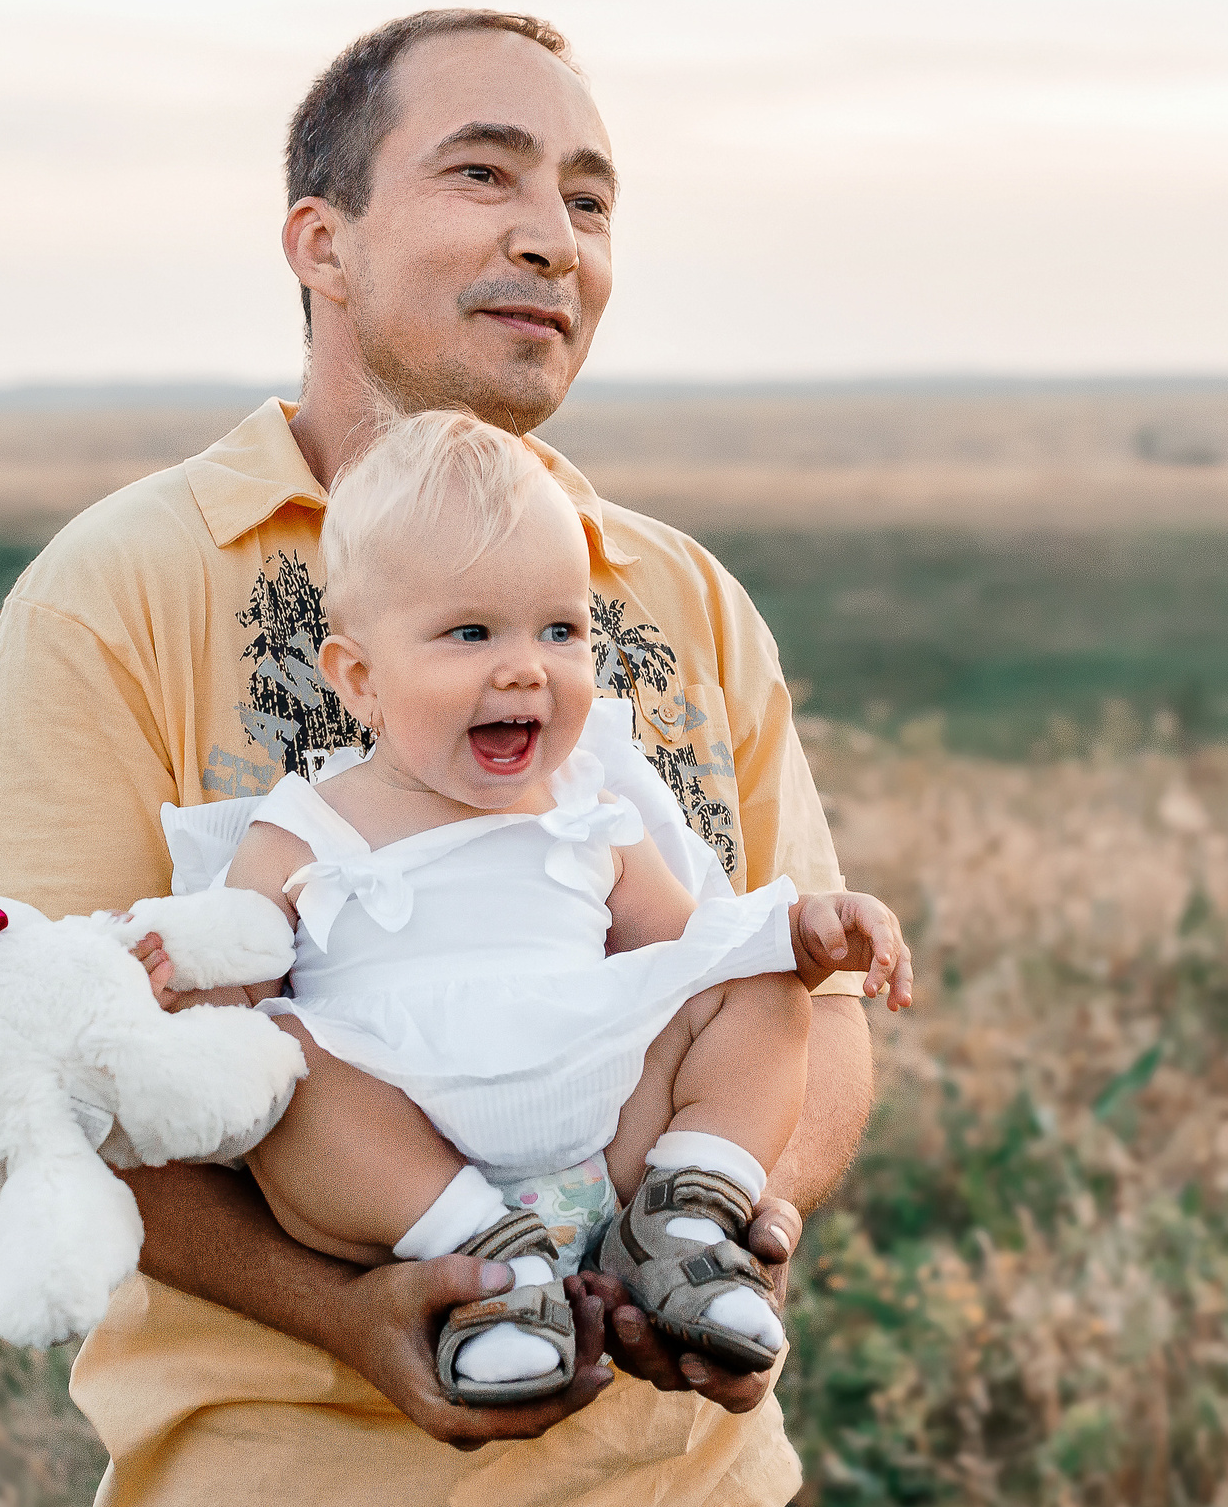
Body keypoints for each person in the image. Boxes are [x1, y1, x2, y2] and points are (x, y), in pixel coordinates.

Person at [0, 6, 881, 1507]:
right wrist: (360, 1317)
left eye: (591, 198)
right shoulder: (123, 586)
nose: (550, 234)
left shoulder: (666, 589)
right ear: (324, 242)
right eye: (484, 172)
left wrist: (729, 1219)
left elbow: (801, 996)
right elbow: (34, 1053)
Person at [169, 409, 911, 1407]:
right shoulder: (305, 830)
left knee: (756, 979)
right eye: (469, 631)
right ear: (360, 679)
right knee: (279, 1060)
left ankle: (687, 1211)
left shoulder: (589, 811)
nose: (524, 665)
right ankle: (494, 1274)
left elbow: (687, 956)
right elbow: (232, 990)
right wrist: (179, 986)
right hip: (407, 1142)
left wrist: (800, 935)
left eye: (559, 629)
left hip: (600, 1125)